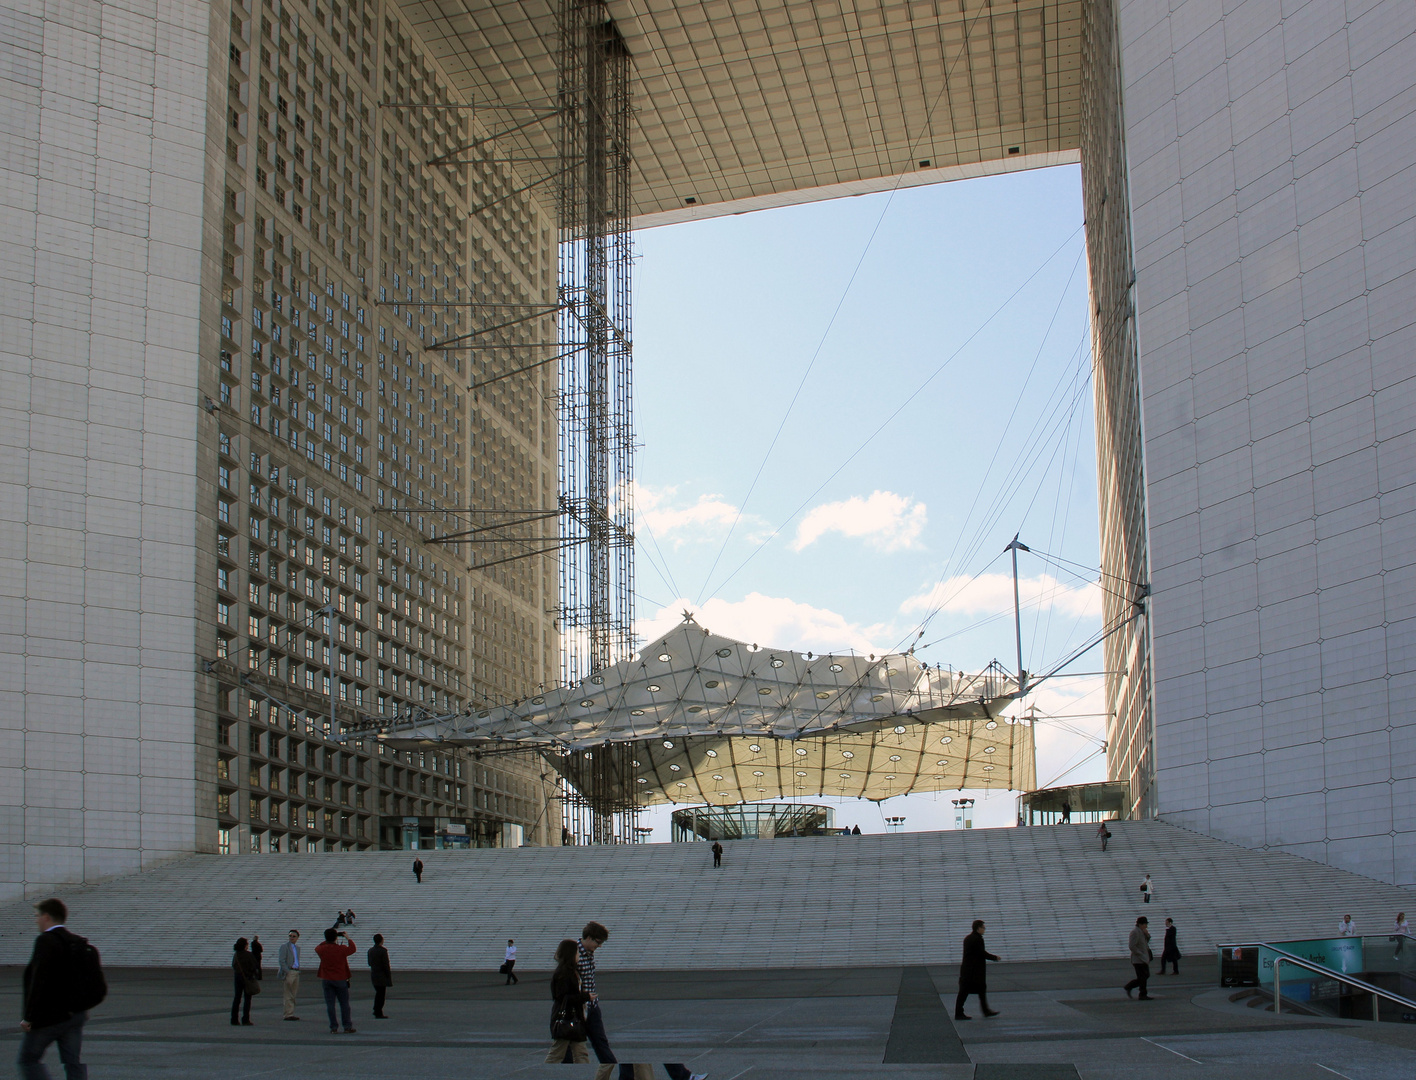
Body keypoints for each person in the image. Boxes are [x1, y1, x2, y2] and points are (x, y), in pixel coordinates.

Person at [576, 921, 706, 1080]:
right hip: (578, 1008)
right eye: (598, 942)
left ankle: (684, 1076)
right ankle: (684, 1077)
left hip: (592, 1008)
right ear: (589, 938)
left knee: (602, 1047)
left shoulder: (588, 952)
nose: (600, 946)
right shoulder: (573, 954)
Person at [19, 897, 97, 1080]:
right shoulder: (78, 943)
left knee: (28, 1060)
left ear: (46, 917)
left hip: (50, 1016)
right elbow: (97, 985)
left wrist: (29, 1017)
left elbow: (38, 981)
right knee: (72, 1062)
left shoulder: (46, 941)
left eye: (37, 916)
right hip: (75, 1015)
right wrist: (83, 1006)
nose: (36, 920)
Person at [546, 938, 590, 1064]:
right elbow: (563, 997)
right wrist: (585, 997)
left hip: (573, 1018)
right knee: (557, 1054)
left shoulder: (570, 972)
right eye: (577, 953)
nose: (578, 956)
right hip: (567, 1017)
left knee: (581, 1053)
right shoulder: (564, 974)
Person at [953, 919, 1001, 1020]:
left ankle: (984, 1010)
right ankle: (960, 1013)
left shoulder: (968, 938)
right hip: (974, 971)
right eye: (983, 928)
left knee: (969, 990)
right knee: (967, 991)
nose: (985, 930)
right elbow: (981, 953)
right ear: (978, 928)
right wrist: (994, 957)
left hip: (968, 970)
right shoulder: (977, 939)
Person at [315, 927, 357, 1033]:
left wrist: (328, 939)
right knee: (344, 1004)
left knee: (330, 1005)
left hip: (327, 979)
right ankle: (347, 1026)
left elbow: (318, 947)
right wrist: (347, 938)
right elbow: (352, 949)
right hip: (340, 978)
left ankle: (333, 1027)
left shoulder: (322, 949)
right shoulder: (341, 949)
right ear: (335, 938)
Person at [231, 938, 258, 1026]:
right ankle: (245, 1019)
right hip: (248, 978)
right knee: (247, 999)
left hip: (238, 977)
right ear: (245, 945)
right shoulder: (249, 955)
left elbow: (234, 965)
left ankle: (234, 1019)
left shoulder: (236, 955)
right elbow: (254, 966)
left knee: (237, 998)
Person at [1124, 916, 1153, 999]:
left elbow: (1144, 943)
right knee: (1143, 977)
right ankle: (1142, 994)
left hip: (1143, 958)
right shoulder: (1135, 932)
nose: (1146, 926)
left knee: (1145, 976)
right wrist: (1140, 954)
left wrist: (1147, 935)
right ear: (1140, 924)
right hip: (1138, 959)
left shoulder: (1141, 931)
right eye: (1145, 924)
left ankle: (1130, 987)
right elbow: (1132, 946)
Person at [277, 929, 302, 1021]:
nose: (291, 938)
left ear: (297, 938)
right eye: (290, 936)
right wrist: (287, 971)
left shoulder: (297, 948)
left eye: (294, 936)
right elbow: (281, 960)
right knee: (288, 993)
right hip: (290, 971)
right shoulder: (284, 947)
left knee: (293, 993)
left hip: (296, 971)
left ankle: (291, 1012)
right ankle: (288, 1014)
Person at [367, 934, 392, 1019]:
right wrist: (388, 975)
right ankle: (378, 1011)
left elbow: (369, 963)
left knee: (378, 993)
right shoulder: (383, 951)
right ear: (381, 940)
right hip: (381, 975)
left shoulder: (370, 950)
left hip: (374, 974)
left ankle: (376, 1010)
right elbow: (386, 964)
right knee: (381, 995)